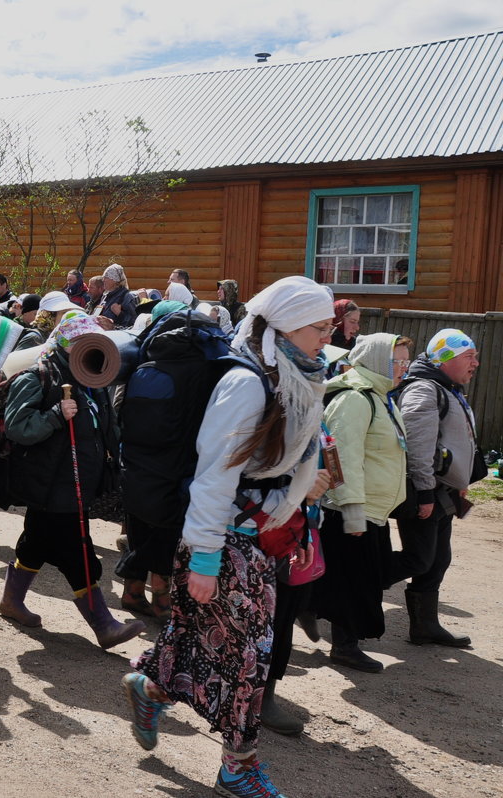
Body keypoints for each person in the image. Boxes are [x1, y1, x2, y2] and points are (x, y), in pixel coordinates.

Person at [122, 275, 334, 798]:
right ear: (285, 325)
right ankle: (237, 766)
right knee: (251, 655)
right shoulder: (246, 384)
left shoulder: (294, 374)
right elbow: (213, 475)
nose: (327, 337)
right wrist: (205, 560)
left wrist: (294, 509)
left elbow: (288, 461)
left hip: (252, 535)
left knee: (202, 638)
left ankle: (149, 687)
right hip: (224, 540)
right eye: (319, 326)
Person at [0, 313, 145, 649]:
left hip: (75, 483)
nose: (89, 349)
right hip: (52, 482)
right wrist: (54, 415)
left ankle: (11, 601)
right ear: (65, 343)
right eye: (81, 343)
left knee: (36, 541)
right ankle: (104, 624)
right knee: (77, 550)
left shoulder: (92, 377)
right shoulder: (39, 376)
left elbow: (106, 427)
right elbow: (19, 428)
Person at [306, 333, 411, 674]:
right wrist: (352, 510)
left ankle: (306, 610)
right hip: (352, 509)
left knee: (354, 576)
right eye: (398, 361)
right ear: (380, 361)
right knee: (354, 580)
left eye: (407, 362)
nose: (404, 369)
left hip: (372, 509)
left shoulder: (382, 397)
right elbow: (342, 457)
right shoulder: (356, 398)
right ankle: (345, 646)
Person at [382, 329, 481, 647]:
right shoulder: (425, 390)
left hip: (444, 494)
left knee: (438, 559)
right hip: (426, 494)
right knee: (420, 559)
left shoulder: (447, 387)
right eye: (469, 356)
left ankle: (425, 626)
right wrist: (425, 494)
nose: (476, 363)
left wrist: (460, 482)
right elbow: (418, 447)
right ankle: (348, 586)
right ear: (447, 358)